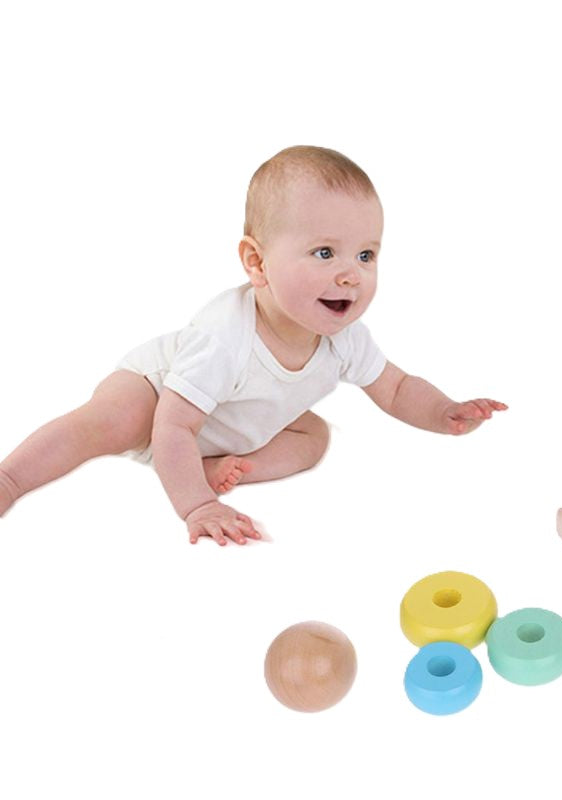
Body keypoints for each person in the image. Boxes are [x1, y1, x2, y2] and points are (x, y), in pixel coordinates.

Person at [0, 146, 507, 545]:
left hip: (226, 423)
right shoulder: (226, 336)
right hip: (160, 396)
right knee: (111, 423)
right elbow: (173, 424)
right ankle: (12, 478)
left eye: (367, 254)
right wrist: (197, 507)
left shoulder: (344, 339)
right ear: (257, 263)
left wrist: (444, 410)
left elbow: (395, 390)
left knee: (313, 439)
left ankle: (217, 471)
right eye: (325, 252)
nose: (350, 274)